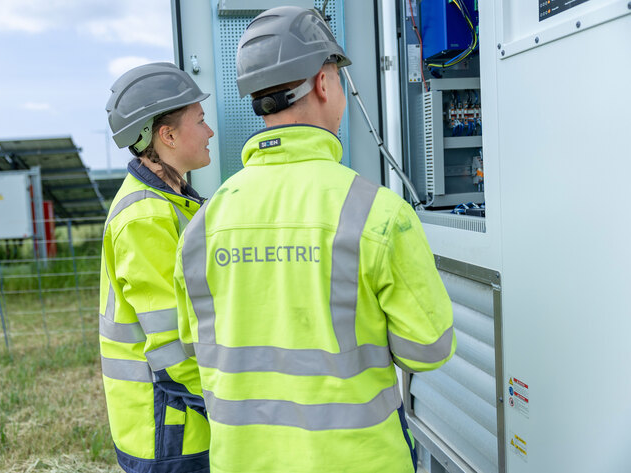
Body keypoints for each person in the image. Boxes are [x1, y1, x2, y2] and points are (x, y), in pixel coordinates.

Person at [173, 6, 456, 473]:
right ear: (324, 83)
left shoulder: (204, 224)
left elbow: (193, 348)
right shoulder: (378, 213)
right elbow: (429, 348)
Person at [100, 62, 213, 473]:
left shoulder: (175, 200)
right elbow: (169, 345)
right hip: (171, 430)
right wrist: (229, 405)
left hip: (181, 420)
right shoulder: (145, 217)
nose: (210, 132)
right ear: (166, 135)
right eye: (200, 121)